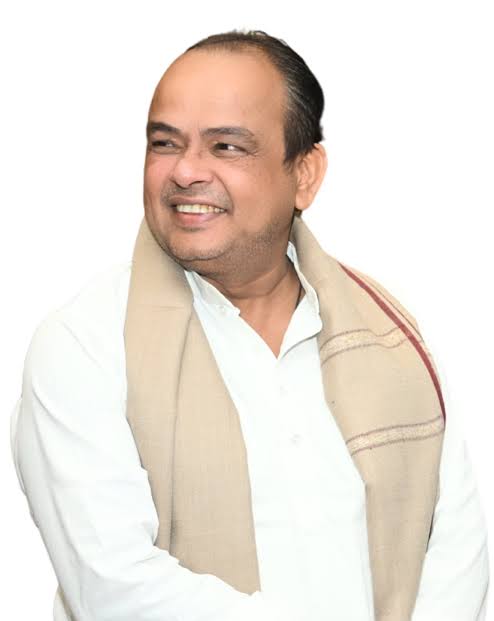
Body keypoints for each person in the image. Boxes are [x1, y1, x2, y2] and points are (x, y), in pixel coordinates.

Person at [10, 30, 488, 621]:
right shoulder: (85, 344)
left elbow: (454, 550)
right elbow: (113, 588)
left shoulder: (389, 337)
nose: (186, 171)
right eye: (165, 143)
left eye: (226, 147)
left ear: (305, 174)